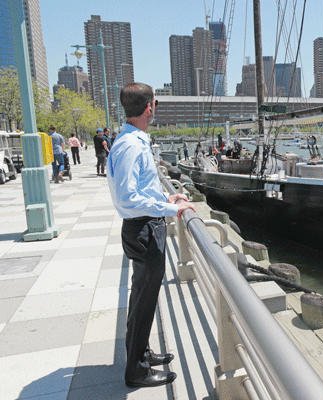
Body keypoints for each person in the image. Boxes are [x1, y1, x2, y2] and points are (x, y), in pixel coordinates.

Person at [107, 82, 196, 388]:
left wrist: (164, 200)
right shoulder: (131, 145)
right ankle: (136, 370)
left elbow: (140, 188)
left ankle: (141, 353)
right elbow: (128, 196)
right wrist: (171, 210)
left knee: (142, 298)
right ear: (149, 108)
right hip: (143, 227)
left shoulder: (132, 140)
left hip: (145, 224)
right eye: (155, 104)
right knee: (144, 301)